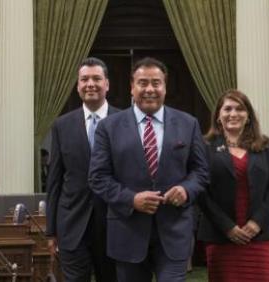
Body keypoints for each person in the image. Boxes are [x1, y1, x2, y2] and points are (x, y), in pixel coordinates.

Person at [88, 57, 208, 282]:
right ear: (131, 87)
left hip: (174, 232)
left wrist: (186, 190)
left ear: (165, 87)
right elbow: (98, 177)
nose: (150, 89)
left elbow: (201, 172)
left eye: (156, 83)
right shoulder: (108, 127)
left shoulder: (188, 123)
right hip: (127, 232)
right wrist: (131, 199)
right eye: (143, 83)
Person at [197, 89, 269, 282]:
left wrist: (257, 222)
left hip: (258, 236)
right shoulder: (204, 146)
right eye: (227, 109)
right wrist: (227, 227)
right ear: (218, 116)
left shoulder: (264, 145)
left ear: (248, 116)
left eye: (240, 109)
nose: (233, 114)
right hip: (221, 236)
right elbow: (201, 192)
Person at [46, 57, 118, 282]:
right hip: (72, 225)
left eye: (97, 78)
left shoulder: (125, 121)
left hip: (114, 224)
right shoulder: (62, 125)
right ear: (77, 86)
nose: (90, 84)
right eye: (84, 79)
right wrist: (51, 230)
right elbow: (55, 180)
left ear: (107, 84)